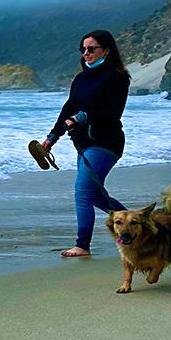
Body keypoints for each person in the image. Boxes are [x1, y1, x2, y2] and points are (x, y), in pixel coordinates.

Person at [40, 29, 130, 257]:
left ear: (106, 50)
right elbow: (68, 109)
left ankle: (82, 245)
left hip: (106, 142)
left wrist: (82, 117)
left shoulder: (116, 77)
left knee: (83, 192)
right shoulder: (81, 79)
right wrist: (52, 137)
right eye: (83, 49)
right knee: (96, 195)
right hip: (83, 142)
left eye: (91, 49)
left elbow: (113, 112)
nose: (86, 53)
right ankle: (139, 225)